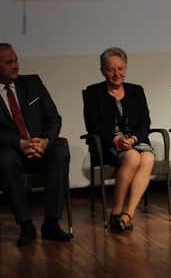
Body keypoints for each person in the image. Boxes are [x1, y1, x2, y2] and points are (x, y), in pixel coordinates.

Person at [0, 43, 72, 245]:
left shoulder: (32, 83)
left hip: (41, 147)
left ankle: (51, 223)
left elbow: (54, 119)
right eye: (9, 62)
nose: (16, 66)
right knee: (5, 159)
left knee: (61, 147)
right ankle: (26, 225)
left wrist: (45, 141)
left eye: (16, 60)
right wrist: (19, 143)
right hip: (13, 150)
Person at [83, 47, 155, 233]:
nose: (117, 74)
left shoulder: (136, 91)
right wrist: (115, 139)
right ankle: (116, 212)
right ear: (102, 71)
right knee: (132, 157)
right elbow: (93, 124)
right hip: (108, 143)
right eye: (111, 70)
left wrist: (134, 138)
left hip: (134, 140)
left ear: (126, 68)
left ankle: (127, 214)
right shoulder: (93, 92)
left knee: (148, 158)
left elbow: (145, 123)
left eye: (120, 68)